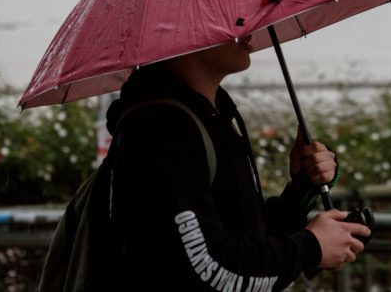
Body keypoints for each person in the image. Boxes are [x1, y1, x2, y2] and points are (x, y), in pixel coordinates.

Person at [90, 35, 371, 290]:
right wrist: (309, 248)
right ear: (187, 28)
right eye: (230, 17)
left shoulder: (213, 119)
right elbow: (208, 268)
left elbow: (245, 238)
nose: (248, 28)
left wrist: (300, 191)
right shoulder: (161, 129)